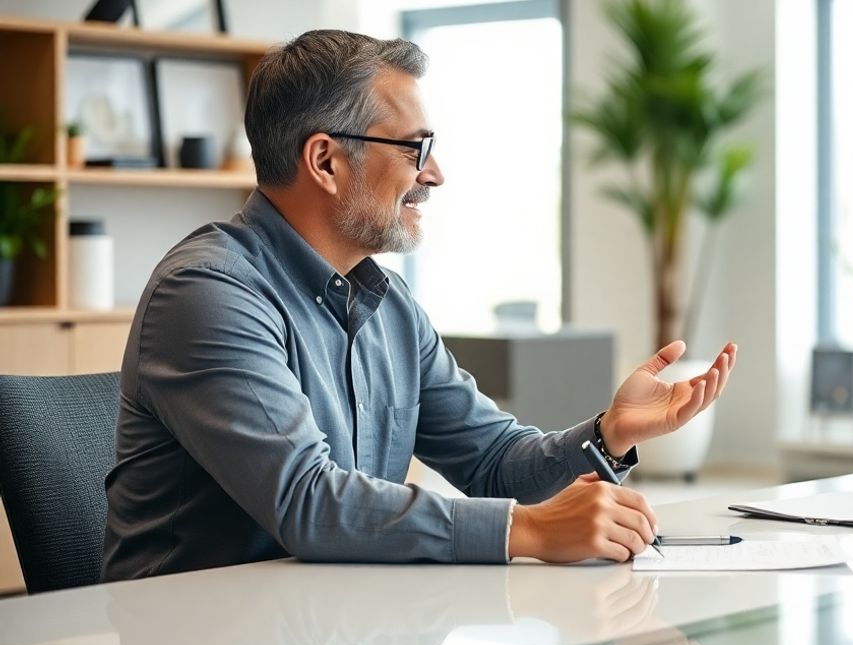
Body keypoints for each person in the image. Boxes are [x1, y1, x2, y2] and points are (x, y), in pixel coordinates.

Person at [101, 29, 737, 581]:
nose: (434, 175)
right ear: (325, 161)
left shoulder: (388, 305)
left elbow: (493, 462)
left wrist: (606, 434)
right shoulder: (208, 293)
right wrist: (528, 530)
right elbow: (307, 503)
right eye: (416, 149)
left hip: (335, 625)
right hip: (198, 638)